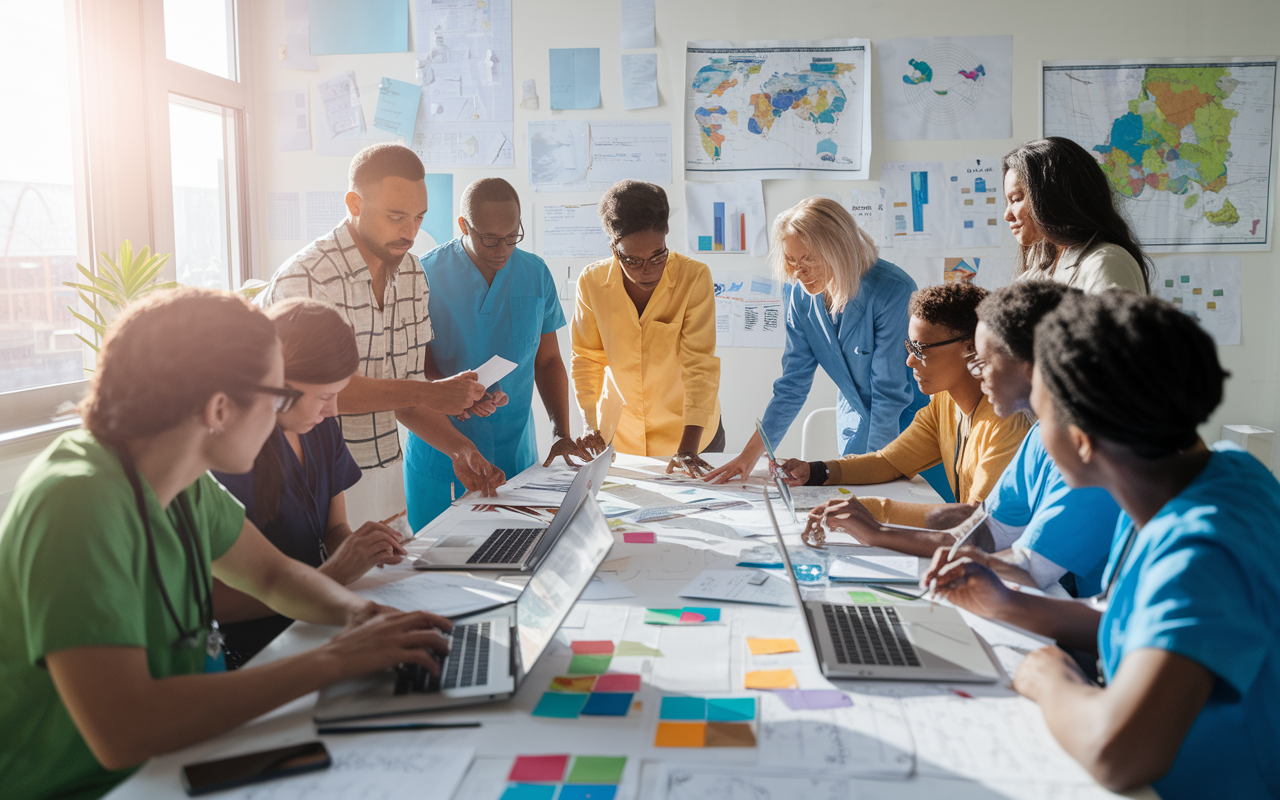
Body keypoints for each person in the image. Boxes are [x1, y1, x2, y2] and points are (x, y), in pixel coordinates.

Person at [0, 288, 452, 800]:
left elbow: (273, 575)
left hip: (179, 760)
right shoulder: (76, 502)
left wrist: (364, 618)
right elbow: (124, 731)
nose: (282, 413)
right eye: (276, 397)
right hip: (94, 786)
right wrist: (335, 660)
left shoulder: (183, 480)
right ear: (219, 407)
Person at [924, 291, 1279, 798]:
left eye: (1042, 417)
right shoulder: (1214, 475)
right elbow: (1133, 623)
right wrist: (1004, 603)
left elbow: (1117, 754)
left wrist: (1049, 678)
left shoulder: (1201, 551)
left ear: (1083, 439)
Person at [799, 281, 1120, 598]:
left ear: (1028, 364)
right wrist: (877, 533)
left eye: (984, 358)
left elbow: (1030, 568)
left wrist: (887, 529)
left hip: (1071, 610)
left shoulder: (1089, 454)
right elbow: (987, 533)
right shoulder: (1039, 436)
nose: (976, 371)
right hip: (1039, 595)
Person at [258, 142, 502, 528]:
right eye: (396, 217)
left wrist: (460, 449)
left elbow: (404, 394)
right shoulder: (306, 277)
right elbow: (320, 392)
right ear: (354, 204)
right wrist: (432, 393)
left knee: (389, 586)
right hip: (312, 479)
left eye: (419, 218)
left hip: (387, 473)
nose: (410, 232)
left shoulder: (413, 274)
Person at [212, 298, 408, 668]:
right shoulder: (232, 454)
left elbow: (334, 528)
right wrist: (332, 575)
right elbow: (220, 602)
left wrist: (360, 551)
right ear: (276, 384)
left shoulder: (320, 430)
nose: (332, 411)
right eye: (324, 397)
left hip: (316, 615)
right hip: (259, 644)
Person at [403, 178, 590, 529]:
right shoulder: (424, 275)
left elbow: (547, 360)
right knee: (439, 563)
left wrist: (561, 432)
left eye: (511, 236)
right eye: (489, 238)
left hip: (515, 451)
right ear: (464, 226)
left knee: (516, 551)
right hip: (442, 456)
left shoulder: (534, 273)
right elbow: (413, 372)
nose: (502, 249)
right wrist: (455, 396)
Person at [703, 197, 925, 485]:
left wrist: (874, 473)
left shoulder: (893, 290)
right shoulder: (798, 295)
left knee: (891, 504)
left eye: (808, 259)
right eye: (791, 260)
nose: (798, 271)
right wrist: (749, 457)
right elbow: (792, 386)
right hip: (855, 417)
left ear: (840, 251)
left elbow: (889, 394)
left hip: (906, 421)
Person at [775, 282, 1031, 527]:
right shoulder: (944, 402)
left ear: (971, 348)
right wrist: (816, 471)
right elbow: (890, 462)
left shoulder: (1006, 419)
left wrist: (874, 511)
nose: (910, 361)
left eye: (921, 349)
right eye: (910, 346)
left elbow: (975, 518)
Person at [571, 180, 722, 477]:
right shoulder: (592, 282)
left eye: (658, 255)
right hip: (620, 437)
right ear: (614, 248)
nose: (648, 270)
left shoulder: (694, 278)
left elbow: (699, 366)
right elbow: (587, 360)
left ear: (666, 236)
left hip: (691, 435)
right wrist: (591, 426)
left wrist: (687, 449)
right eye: (632, 259)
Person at [1004, 137, 1151, 294]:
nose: (1007, 215)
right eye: (1008, 202)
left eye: (1016, 199)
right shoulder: (1039, 273)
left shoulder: (1106, 262)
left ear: (1054, 196)